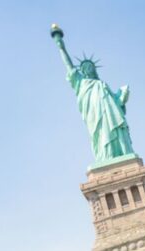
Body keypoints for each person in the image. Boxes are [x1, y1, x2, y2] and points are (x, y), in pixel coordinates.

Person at [50, 24, 136, 163]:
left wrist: (122, 97)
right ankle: (106, 159)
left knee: (118, 129)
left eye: (91, 67)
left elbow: (117, 103)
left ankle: (123, 153)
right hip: (96, 119)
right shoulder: (80, 83)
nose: (89, 69)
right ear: (82, 71)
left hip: (112, 117)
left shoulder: (102, 85)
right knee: (102, 137)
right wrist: (61, 46)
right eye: (85, 68)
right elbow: (69, 65)